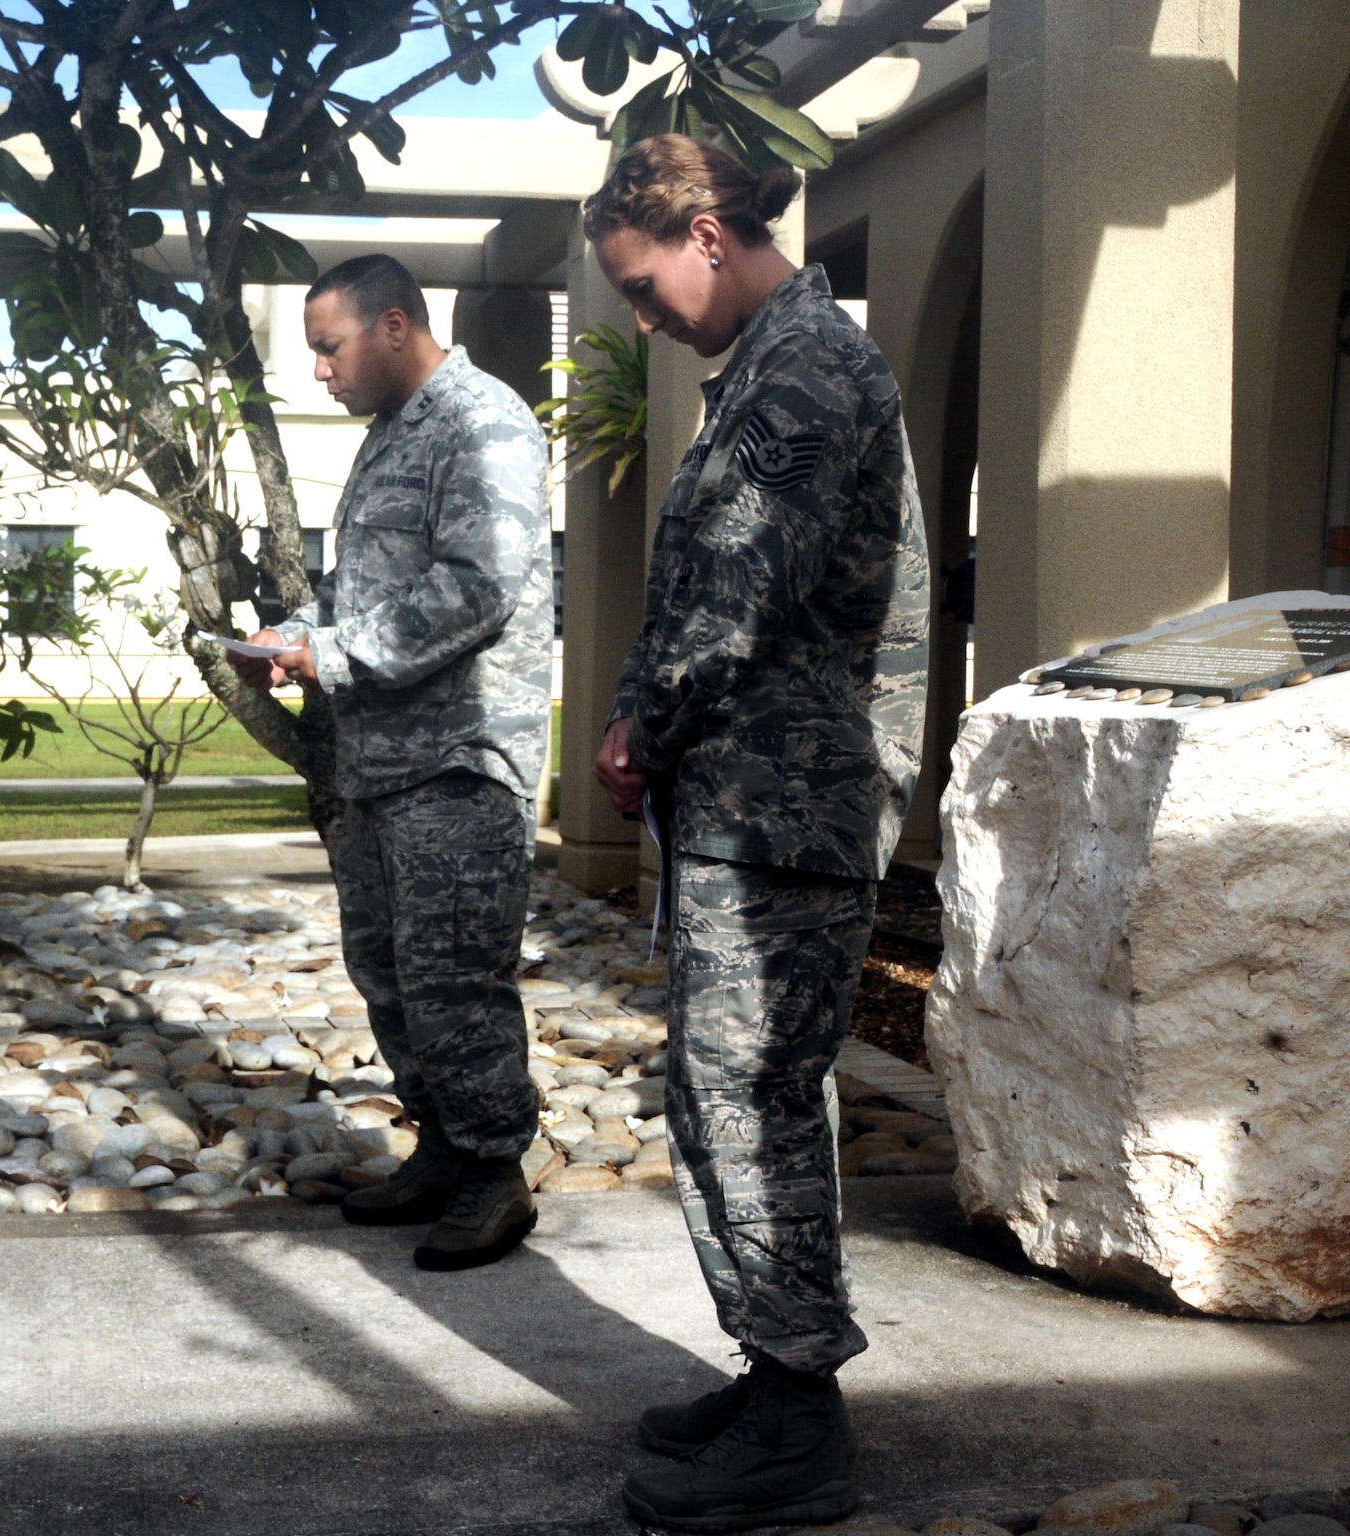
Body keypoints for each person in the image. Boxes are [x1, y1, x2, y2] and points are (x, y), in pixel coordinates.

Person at [585, 136, 931, 1530]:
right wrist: (637, 718)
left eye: (644, 282)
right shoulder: (761, 373)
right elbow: (693, 590)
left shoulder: (805, 372)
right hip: (747, 805)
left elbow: (733, 598)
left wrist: (642, 727)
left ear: (710, 233)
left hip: (789, 810)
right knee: (738, 1096)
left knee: (751, 1100)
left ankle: (797, 1416)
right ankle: (780, 1372)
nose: (640, 315)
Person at [227, 253, 554, 1272]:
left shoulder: (479, 423)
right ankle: (444, 1148)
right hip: (382, 765)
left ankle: (495, 1175)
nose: (319, 370)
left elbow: (478, 586)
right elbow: (365, 591)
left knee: (455, 976)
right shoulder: (390, 440)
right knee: (390, 970)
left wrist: (330, 654)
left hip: (457, 761)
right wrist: (296, 632)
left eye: (329, 347)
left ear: (396, 326)